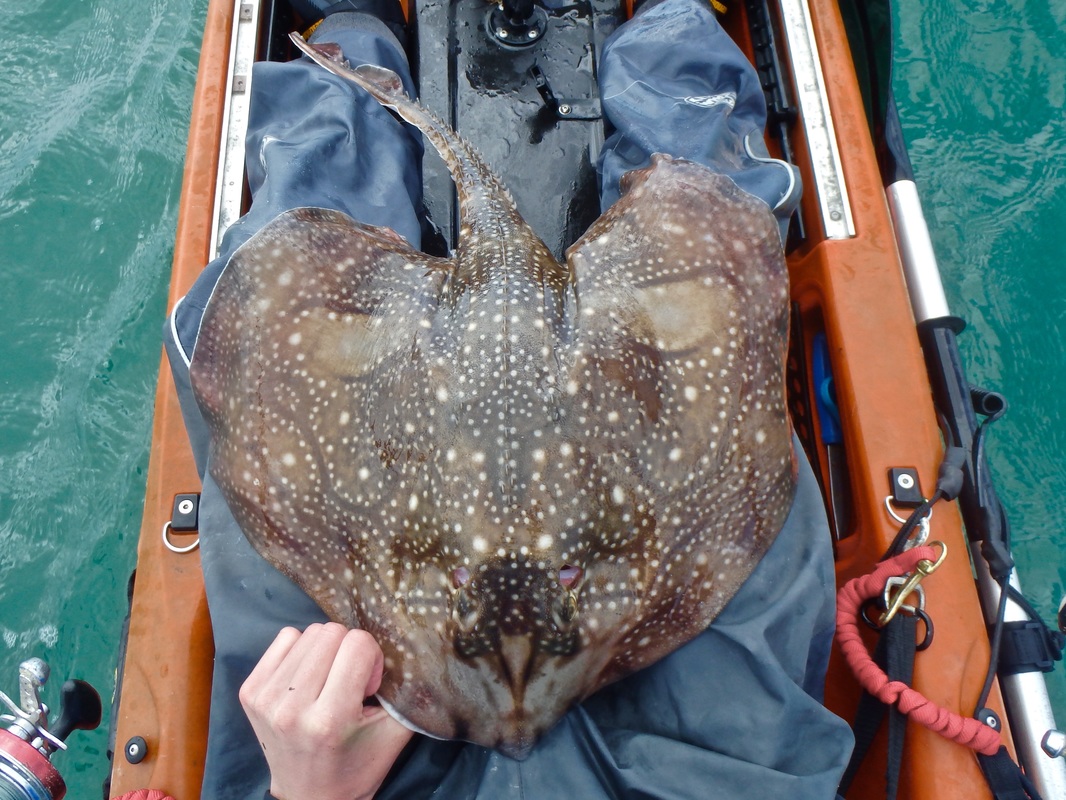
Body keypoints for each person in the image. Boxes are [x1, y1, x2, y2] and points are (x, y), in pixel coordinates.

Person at [164, 0, 855, 797]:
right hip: (698, 745)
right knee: (716, 206)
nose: (516, 710)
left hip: (352, 767)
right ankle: (671, 21)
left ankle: (350, 32)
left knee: (265, 266)